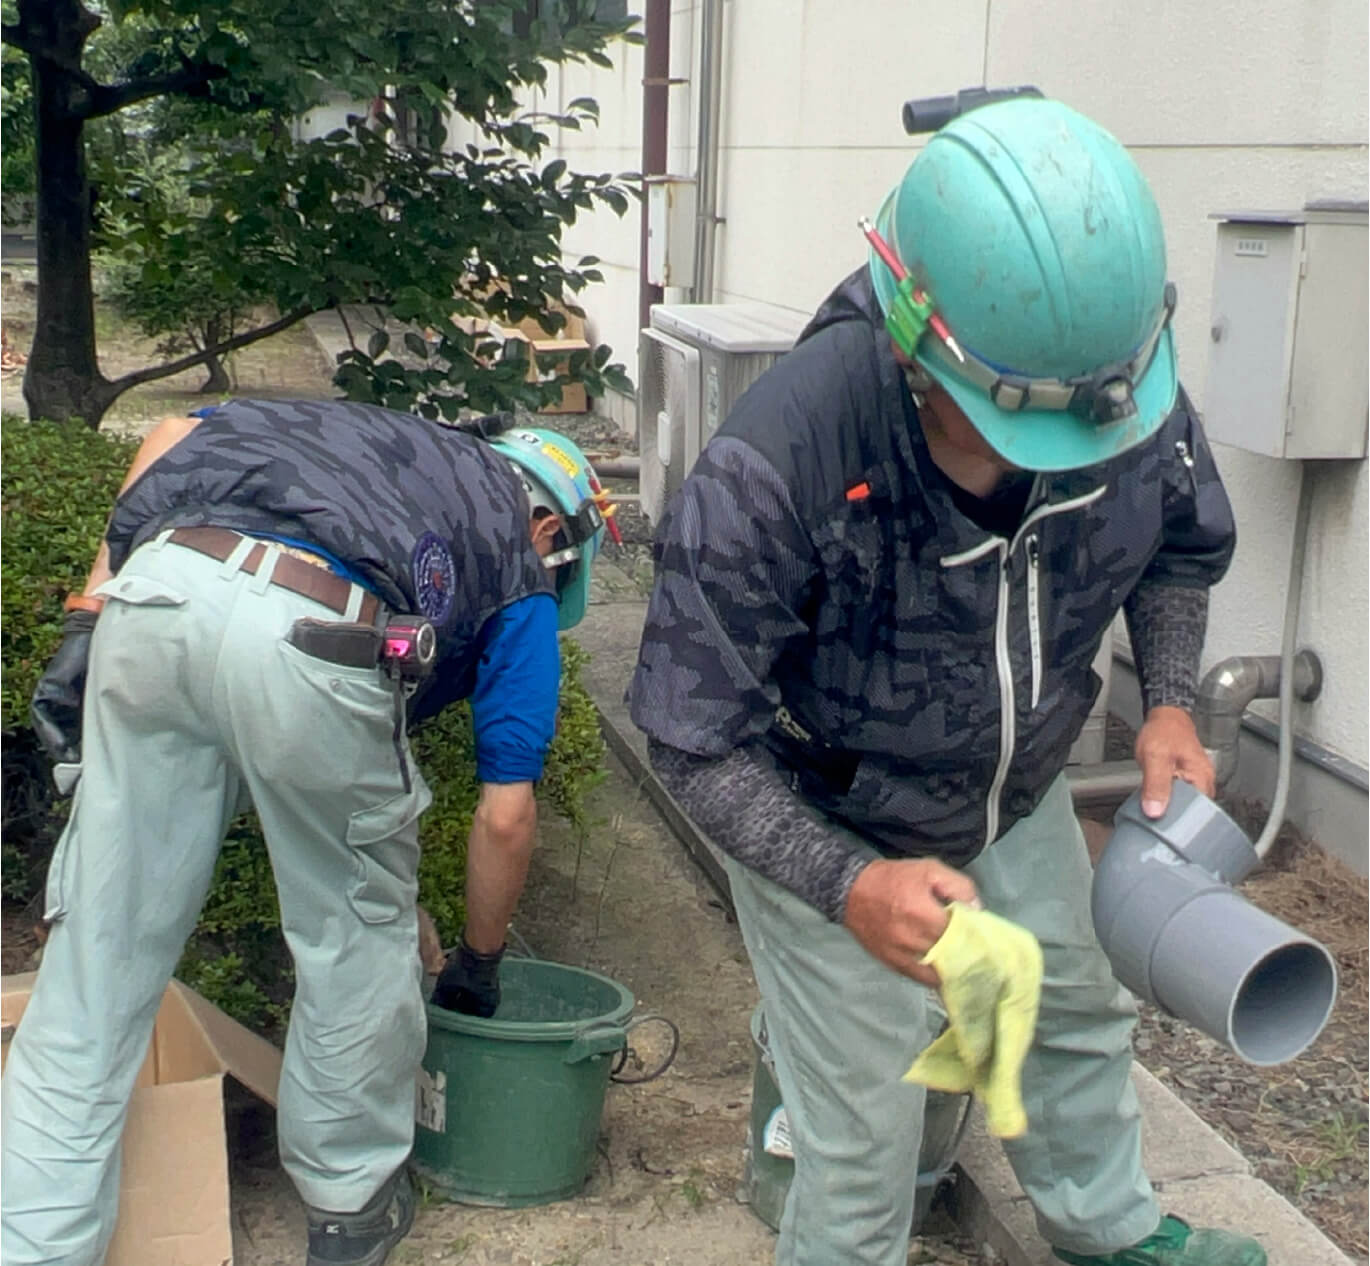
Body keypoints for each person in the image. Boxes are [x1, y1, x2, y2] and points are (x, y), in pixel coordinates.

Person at [629, 98, 1265, 1266]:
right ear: (914, 350)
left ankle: (1108, 1232)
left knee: (1070, 1007)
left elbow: (1175, 545)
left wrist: (1169, 696)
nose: (1056, 464)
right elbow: (689, 736)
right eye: (1010, 437)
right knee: (863, 1127)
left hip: (1007, 788)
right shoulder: (780, 460)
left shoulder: (1115, 389)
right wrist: (847, 885)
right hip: (827, 808)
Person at [2, 397, 609, 1266]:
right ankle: (349, 1207)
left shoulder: (368, 439)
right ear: (549, 524)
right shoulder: (520, 564)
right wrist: (476, 963)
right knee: (352, 947)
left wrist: (87, 614)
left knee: (101, 944)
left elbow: (168, 434)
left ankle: (35, 1243)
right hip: (319, 630)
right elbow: (506, 815)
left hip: (156, 593)